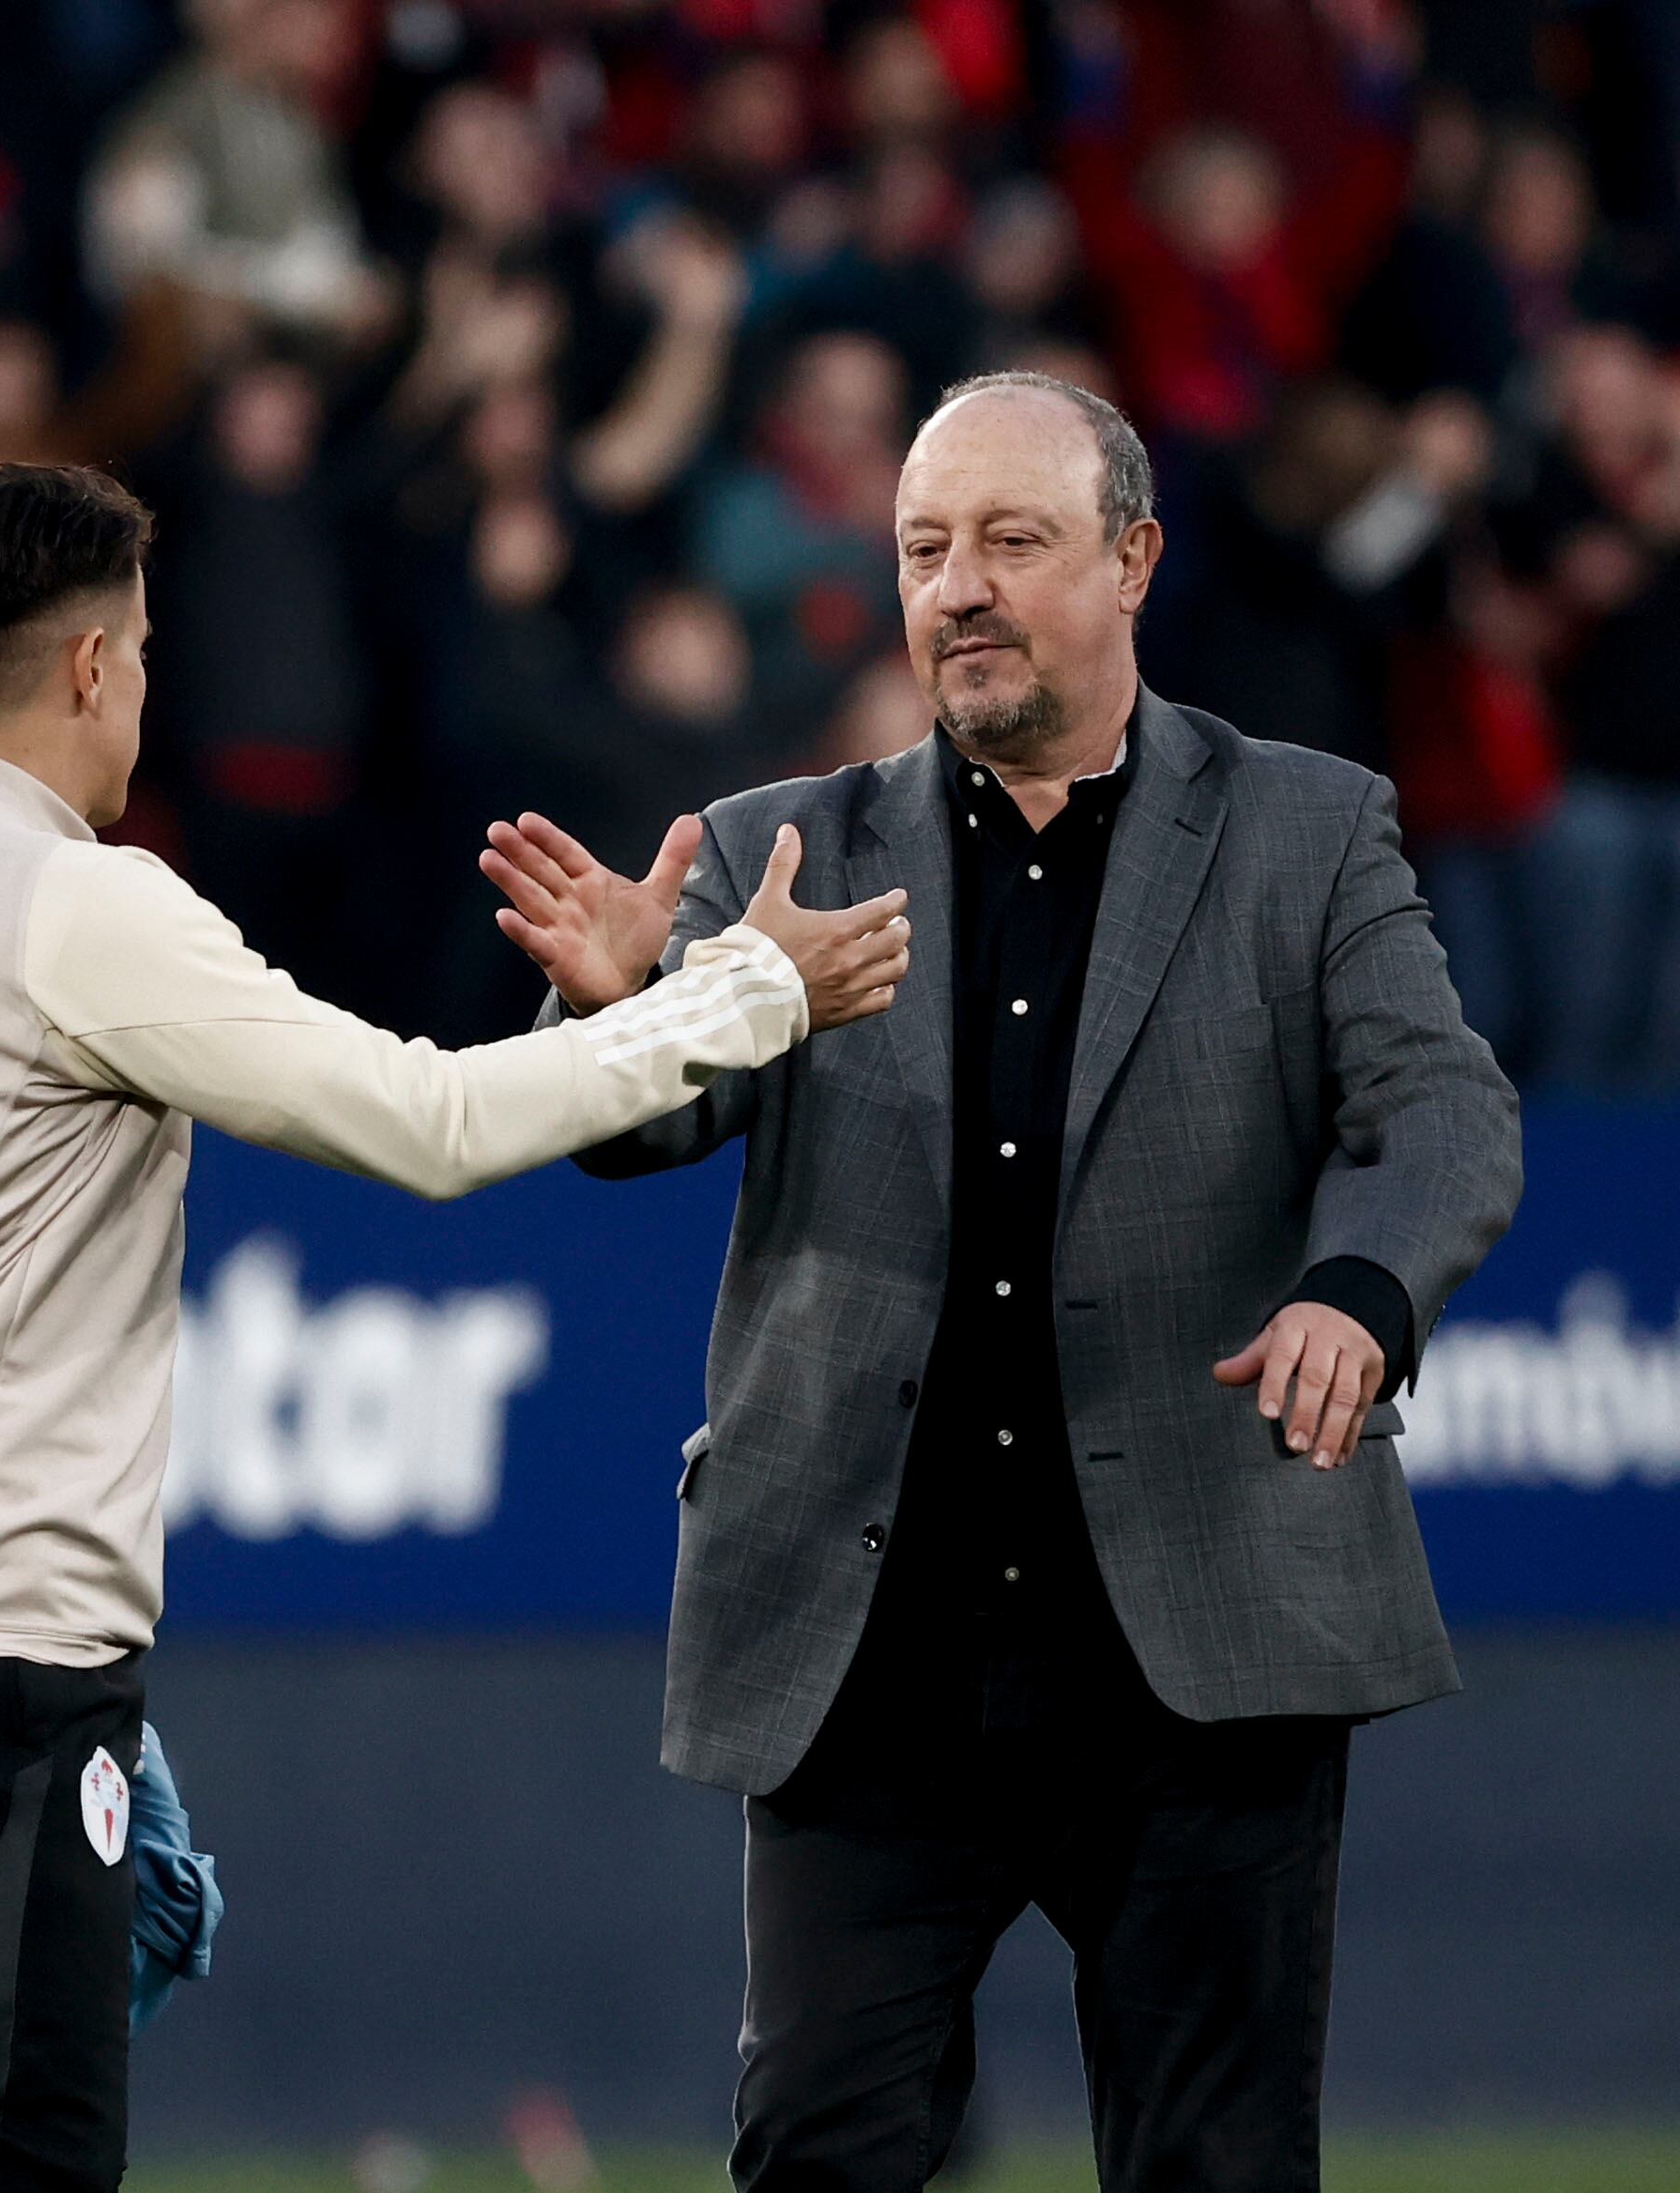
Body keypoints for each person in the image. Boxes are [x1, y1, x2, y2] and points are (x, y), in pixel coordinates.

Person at [0, 460, 914, 2192]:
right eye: (137, 651)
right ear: (83, 669)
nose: (144, 687)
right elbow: (422, 1125)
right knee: (26, 2160)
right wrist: (744, 994)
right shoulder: (76, 899)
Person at [498, 371, 1522, 2190]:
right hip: (870, 1646)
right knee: (818, 2155)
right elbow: (640, 1129)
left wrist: (1360, 1294)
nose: (956, 585)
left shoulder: (1308, 830)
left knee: (1217, 2168)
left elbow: (1442, 1108)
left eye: (1009, 541)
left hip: (1205, 1632)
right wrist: (616, 1017)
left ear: (1132, 559)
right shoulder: (775, 850)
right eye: (922, 549)